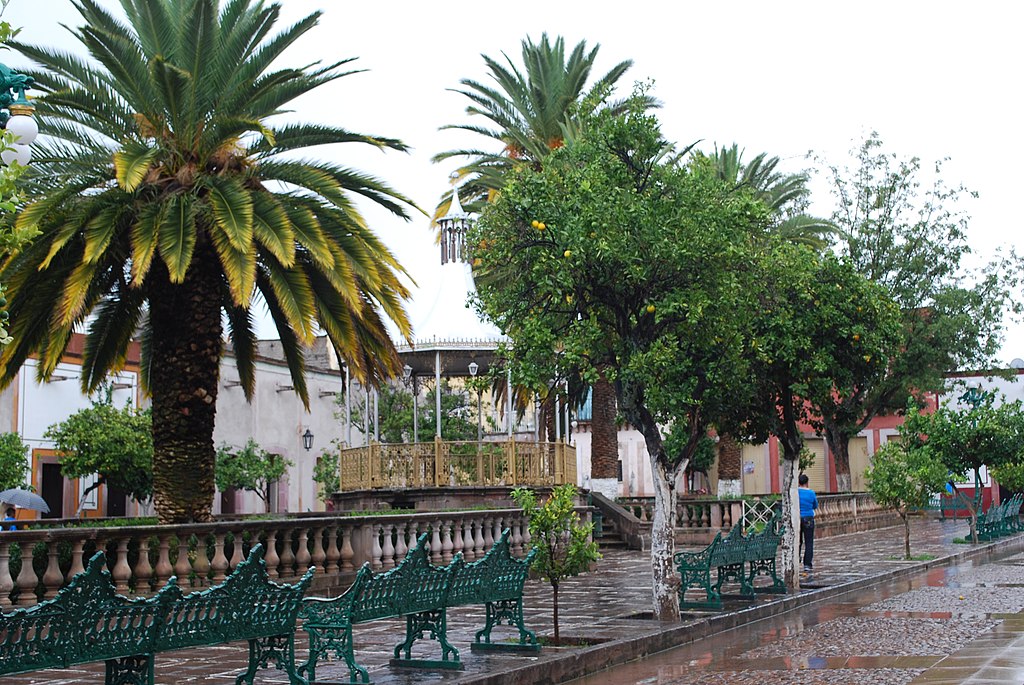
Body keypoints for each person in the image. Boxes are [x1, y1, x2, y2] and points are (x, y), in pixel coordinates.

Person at [798, 473, 818, 573]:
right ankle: (807, 564)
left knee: (797, 541)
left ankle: (796, 559)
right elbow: (815, 505)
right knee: (809, 542)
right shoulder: (811, 493)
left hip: (797, 518)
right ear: (807, 482)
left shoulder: (795, 492)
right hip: (808, 518)